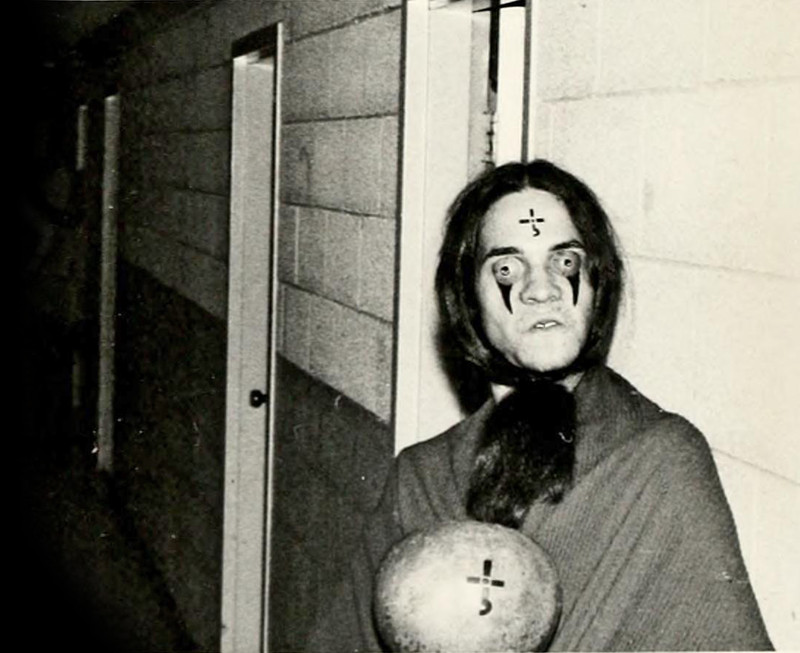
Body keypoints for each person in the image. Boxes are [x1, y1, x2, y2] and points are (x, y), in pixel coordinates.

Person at [307, 160, 772, 651]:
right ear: (468, 298)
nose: (542, 289)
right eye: (507, 269)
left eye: (565, 262)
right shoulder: (422, 477)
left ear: (596, 281)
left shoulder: (660, 460)